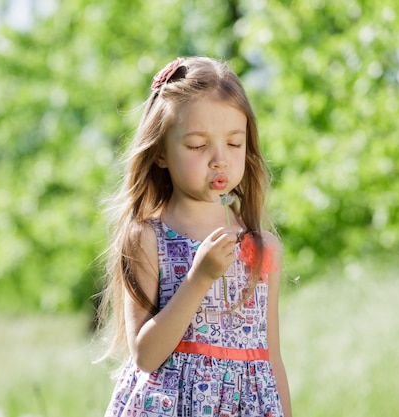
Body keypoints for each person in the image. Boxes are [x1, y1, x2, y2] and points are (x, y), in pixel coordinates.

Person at [97, 56, 292, 417]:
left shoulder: (261, 247)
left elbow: (271, 359)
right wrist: (199, 278)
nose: (219, 159)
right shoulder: (148, 237)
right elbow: (145, 356)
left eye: (234, 143)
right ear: (160, 153)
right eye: (198, 145)